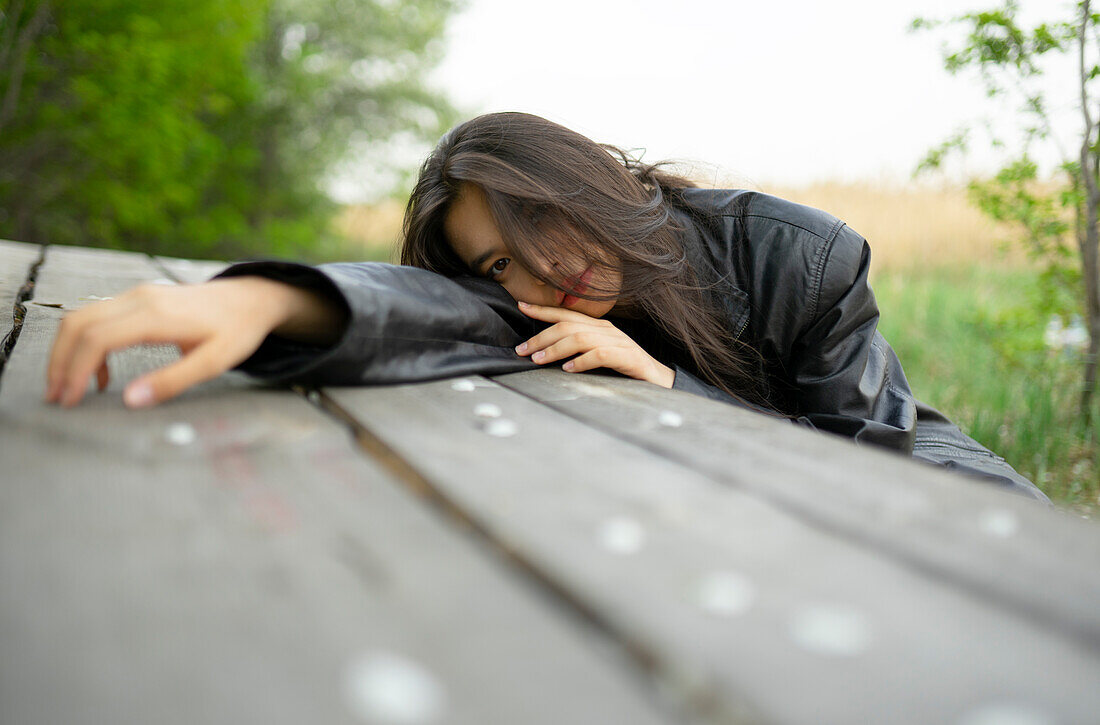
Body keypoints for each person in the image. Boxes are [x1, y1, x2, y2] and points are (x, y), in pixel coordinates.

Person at [44, 112, 1049, 502]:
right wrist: (268, 296)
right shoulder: (526, 303)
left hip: (961, 498)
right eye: (496, 262)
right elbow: (421, 308)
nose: (536, 274)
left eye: (539, 223)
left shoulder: (797, 252)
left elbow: (872, 467)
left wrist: (668, 381)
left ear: (587, 180)